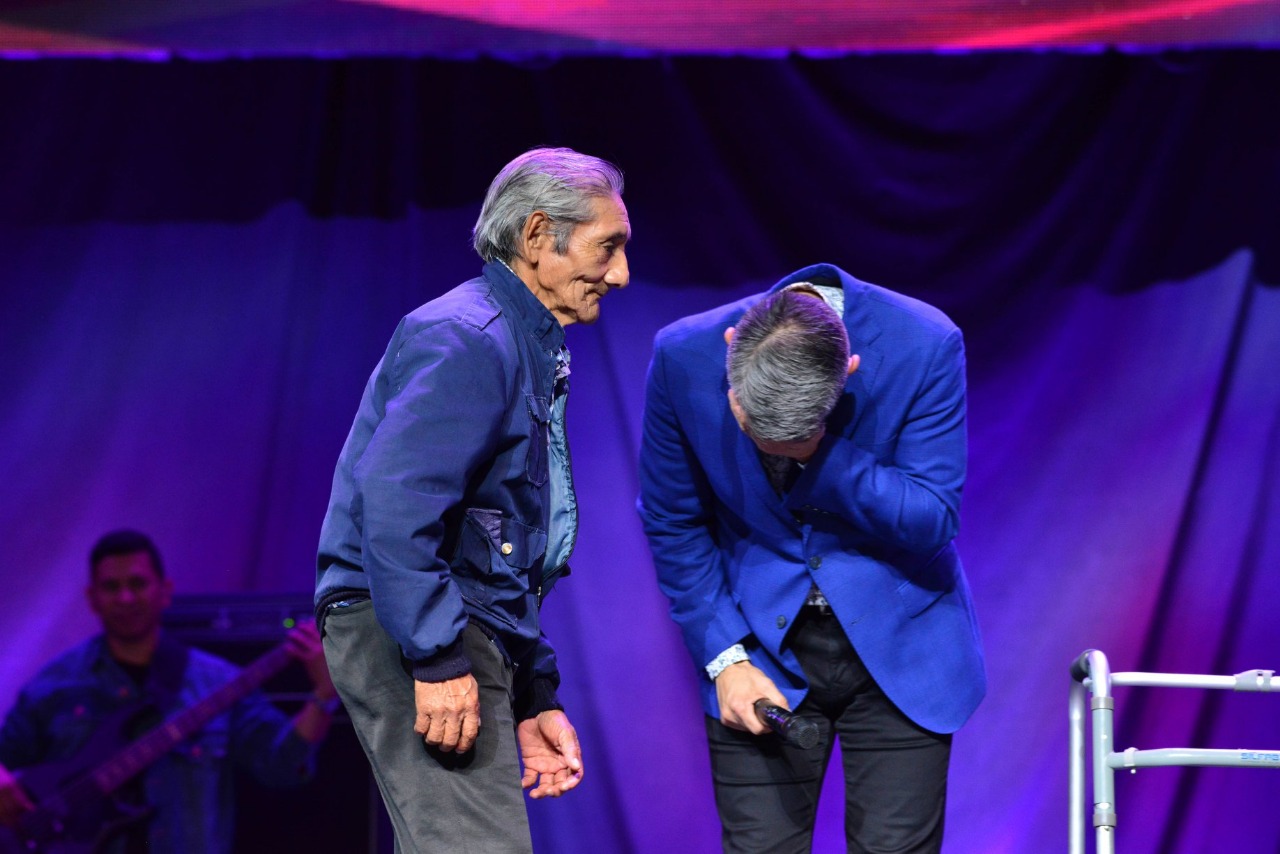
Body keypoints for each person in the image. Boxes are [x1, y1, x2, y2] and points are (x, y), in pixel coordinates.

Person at [314, 146, 630, 852]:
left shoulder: (520, 342)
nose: (620, 273)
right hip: (413, 622)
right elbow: (396, 504)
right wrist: (434, 657)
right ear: (538, 235)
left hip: (452, 621)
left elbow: (502, 546)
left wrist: (532, 692)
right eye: (607, 246)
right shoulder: (468, 337)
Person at [638, 264, 986, 853]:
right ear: (731, 349)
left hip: (901, 646)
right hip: (758, 650)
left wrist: (815, 453)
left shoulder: (925, 343)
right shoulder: (683, 355)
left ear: (847, 373)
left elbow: (931, 518)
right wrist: (726, 658)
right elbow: (673, 520)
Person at [0, 529, 339, 854]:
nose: (125, 598)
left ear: (165, 591)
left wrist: (324, 696)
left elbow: (282, 766)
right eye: (111, 587)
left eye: (137, 584)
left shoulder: (217, 682)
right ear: (92, 598)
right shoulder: (55, 685)